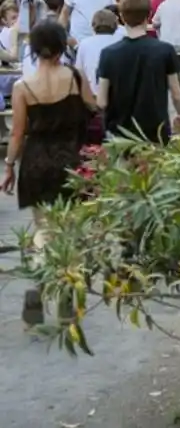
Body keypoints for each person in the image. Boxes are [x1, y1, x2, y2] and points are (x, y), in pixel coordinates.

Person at [3, 22, 94, 324]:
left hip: (36, 163)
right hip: (71, 161)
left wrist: (8, 167)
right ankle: (67, 290)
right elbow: (93, 106)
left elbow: (17, 134)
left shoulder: (21, 87)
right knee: (70, 231)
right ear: (60, 46)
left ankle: (38, 287)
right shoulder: (74, 78)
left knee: (43, 230)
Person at [98, 0, 180, 143]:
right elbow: (176, 93)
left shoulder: (108, 54)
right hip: (155, 131)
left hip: (120, 133)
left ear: (121, 17)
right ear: (149, 15)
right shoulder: (164, 50)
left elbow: (102, 101)